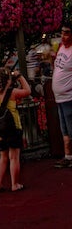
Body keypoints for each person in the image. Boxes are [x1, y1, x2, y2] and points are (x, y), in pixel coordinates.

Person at [0, 68, 30, 192]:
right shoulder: (12, 92)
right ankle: (15, 184)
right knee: (14, 156)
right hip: (12, 126)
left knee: (3, 157)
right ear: (8, 80)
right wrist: (20, 77)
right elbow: (28, 91)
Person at [52, 22, 72, 169]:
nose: (63, 36)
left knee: (71, 129)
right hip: (59, 97)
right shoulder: (61, 48)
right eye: (62, 33)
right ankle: (68, 156)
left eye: (66, 33)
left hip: (69, 97)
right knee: (64, 129)